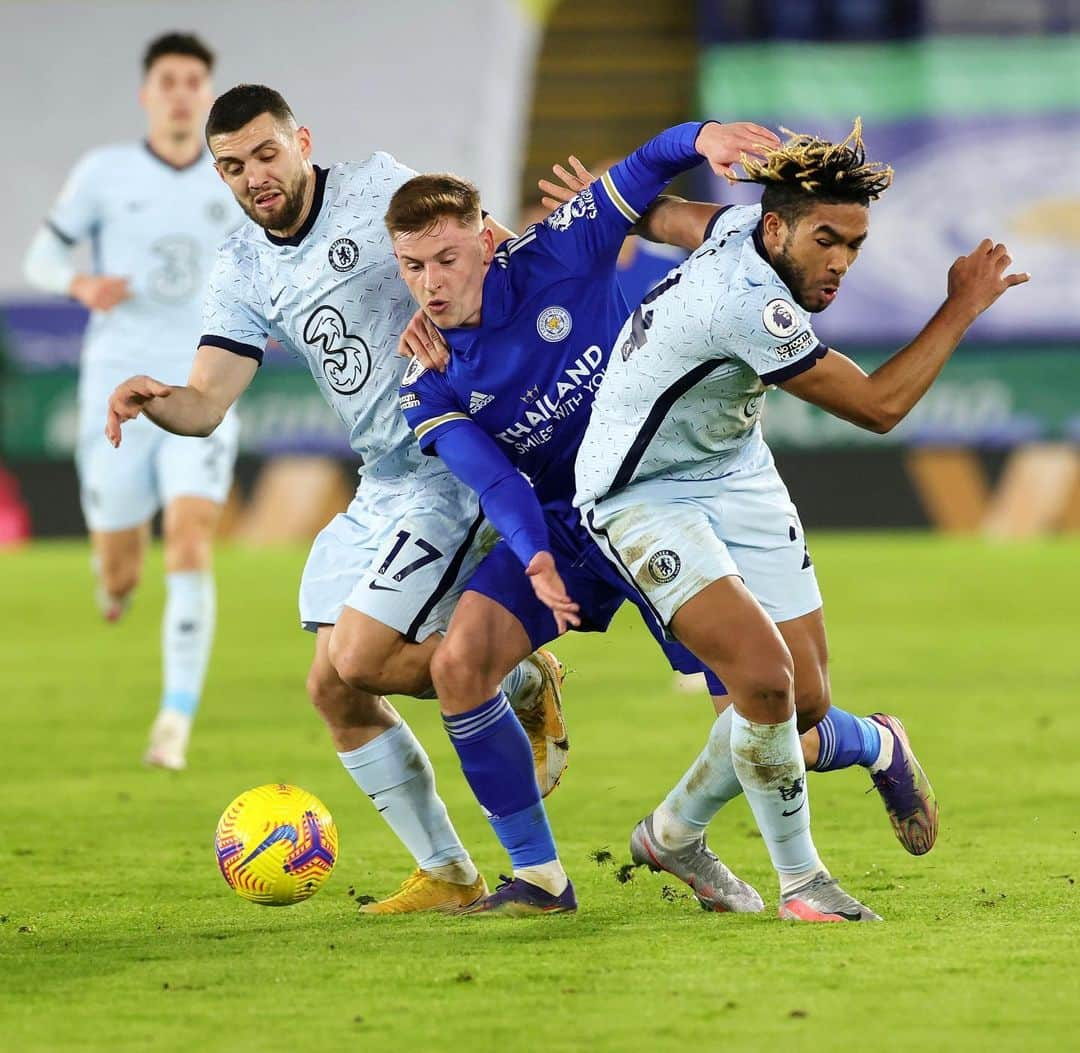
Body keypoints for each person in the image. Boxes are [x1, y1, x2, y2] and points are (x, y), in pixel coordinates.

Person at [389, 121, 938, 920]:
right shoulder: (427, 379)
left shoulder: (557, 252)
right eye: (413, 267)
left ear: (485, 238)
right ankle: (539, 878)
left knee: (784, 720)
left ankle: (875, 744)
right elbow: (495, 476)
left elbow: (642, 174)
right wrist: (534, 553)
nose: (432, 284)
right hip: (576, 520)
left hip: (665, 492)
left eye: (447, 258)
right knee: (459, 662)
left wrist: (705, 136)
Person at [104, 84, 566, 914]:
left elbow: (480, 249)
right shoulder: (242, 265)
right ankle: (451, 875)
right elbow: (207, 402)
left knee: (359, 655)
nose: (254, 177)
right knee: (335, 688)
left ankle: (520, 689)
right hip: (381, 478)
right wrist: (158, 399)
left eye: (267, 154)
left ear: (302, 141)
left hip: (451, 460)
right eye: (232, 167)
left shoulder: (377, 189)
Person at [570, 121, 1027, 919]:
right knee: (764, 680)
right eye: (827, 239)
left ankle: (678, 830)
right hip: (639, 491)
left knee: (805, 702)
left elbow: (661, 214)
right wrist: (961, 305)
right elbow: (880, 407)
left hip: (736, 470)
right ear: (778, 227)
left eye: (853, 242)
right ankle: (803, 883)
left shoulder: (745, 225)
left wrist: (605, 204)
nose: (842, 262)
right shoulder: (745, 302)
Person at [23, 33, 242, 771]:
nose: (181, 92)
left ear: (208, 94)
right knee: (121, 568)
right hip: (116, 385)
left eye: (193, 80)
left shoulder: (232, 178)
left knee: (188, 539)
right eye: (168, 80)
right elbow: (42, 255)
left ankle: (173, 721)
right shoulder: (105, 172)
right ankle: (113, 581)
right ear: (147, 94)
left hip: (199, 387)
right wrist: (80, 285)